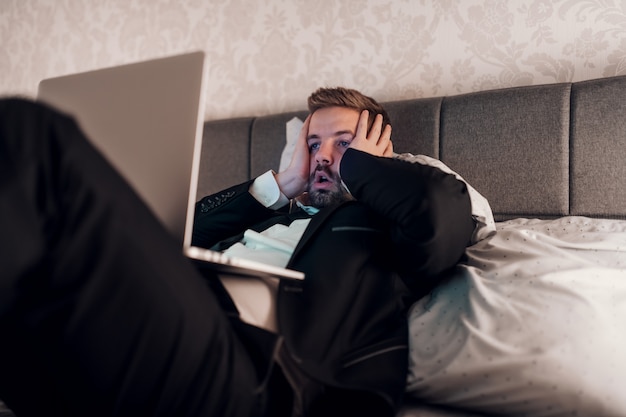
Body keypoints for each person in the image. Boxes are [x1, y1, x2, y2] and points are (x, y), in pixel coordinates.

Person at [0, 87, 473, 417]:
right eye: (313, 145)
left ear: (377, 155)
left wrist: (361, 166)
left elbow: (437, 218)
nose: (324, 156)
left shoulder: (379, 224)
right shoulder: (275, 213)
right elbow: (177, 232)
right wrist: (282, 184)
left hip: (259, 379)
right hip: (173, 326)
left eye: (344, 144)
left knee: (27, 133)